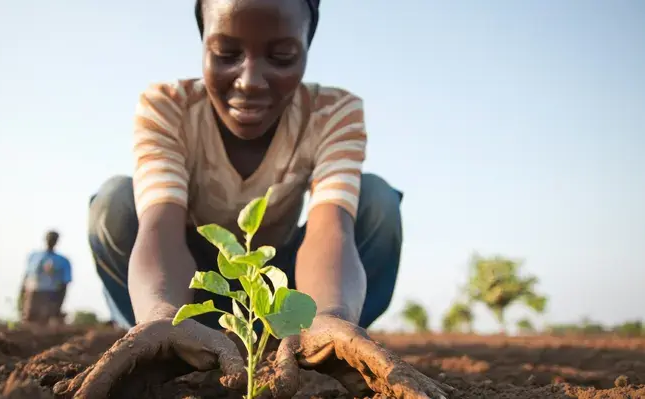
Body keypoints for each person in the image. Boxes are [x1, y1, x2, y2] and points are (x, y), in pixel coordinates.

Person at [82, 0, 452, 397]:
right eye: (226, 54)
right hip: (190, 293)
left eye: (281, 56)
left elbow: (331, 226)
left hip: (287, 298)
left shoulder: (332, 111)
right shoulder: (169, 106)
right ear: (203, 42)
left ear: (307, 49)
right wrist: (164, 314)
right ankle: (158, 336)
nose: (250, 80)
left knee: (376, 200)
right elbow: (160, 226)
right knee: (116, 204)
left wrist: (329, 314)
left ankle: (332, 339)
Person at [20, 230, 72, 326]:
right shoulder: (34, 257)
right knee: (29, 320)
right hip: (34, 292)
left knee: (47, 321)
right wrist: (22, 296)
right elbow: (26, 277)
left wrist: (59, 304)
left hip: (51, 294)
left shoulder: (62, 261)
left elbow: (65, 283)